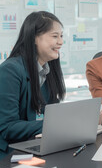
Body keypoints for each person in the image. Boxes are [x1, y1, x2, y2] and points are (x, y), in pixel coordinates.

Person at [0, 11, 66, 159]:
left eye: (61, 36)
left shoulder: (48, 69)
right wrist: (53, 124)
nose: (60, 42)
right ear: (35, 38)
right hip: (10, 154)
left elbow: (50, 112)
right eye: (55, 36)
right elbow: (7, 127)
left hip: (33, 146)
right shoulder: (10, 71)